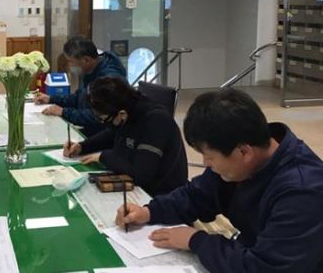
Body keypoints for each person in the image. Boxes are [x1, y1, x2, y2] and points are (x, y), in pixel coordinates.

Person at [116, 89, 323, 273]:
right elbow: (196, 195)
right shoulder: (240, 158)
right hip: (250, 249)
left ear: (244, 152)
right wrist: (149, 212)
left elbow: (265, 267)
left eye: (209, 157)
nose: (205, 164)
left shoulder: (303, 192)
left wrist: (195, 240)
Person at [64, 76, 187, 196]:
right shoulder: (128, 107)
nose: (102, 122)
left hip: (160, 194)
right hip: (135, 179)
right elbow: (111, 134)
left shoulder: (156, 121)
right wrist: (82, 146)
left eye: (103, 119)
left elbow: (141, 175)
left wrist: (103, 156)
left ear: (121, 114)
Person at [35, 35, 127, 136]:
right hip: (91, 131)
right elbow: (80, 97)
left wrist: (63, 112)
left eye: (70, 61)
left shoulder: (109, 80)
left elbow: (98, 115)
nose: (69, 65)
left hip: (105, 135)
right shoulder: (91, 71)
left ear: (85, 60)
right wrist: (51, 99)